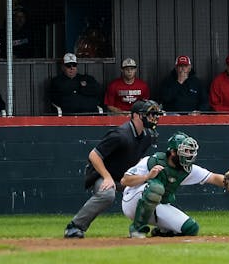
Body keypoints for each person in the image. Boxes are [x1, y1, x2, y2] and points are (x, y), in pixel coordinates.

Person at [63, 99, 163, 239]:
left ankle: (153, 228)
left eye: (154, 114)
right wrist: (107, 177)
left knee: (154, 188)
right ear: (135, 115)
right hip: (101, 174)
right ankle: (74, 227)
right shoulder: (121, 134)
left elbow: (137, 160)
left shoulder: (147, 136)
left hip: (124, 177)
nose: (153, 118)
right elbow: (94, 155)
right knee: (107, 195)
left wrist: (145, 176)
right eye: (149, 114)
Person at [122, 131, 229, 238]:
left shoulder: (186, 169)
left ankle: (163, 231)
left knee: (191, 228)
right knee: (156, 188)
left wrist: (228, 180)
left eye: (190, 151)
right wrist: (147, 177)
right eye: (185, 151)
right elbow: (125, 181)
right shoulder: (152, 161)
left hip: (155, 205)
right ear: (173, 152)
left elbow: (212, 177)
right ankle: (137, 229)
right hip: (132, 200)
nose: (189, 155)